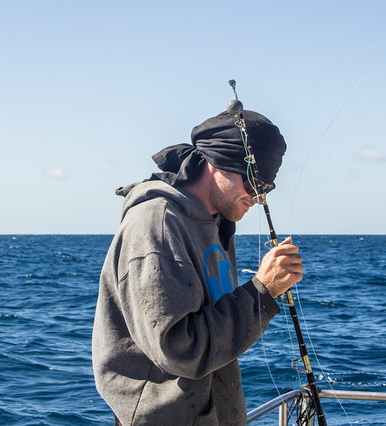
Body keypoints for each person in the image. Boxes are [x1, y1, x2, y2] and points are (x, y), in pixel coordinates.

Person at [92, 108, 303, 425]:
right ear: (219, 165)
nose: (259, 197)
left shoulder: (216, 223)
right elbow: (180, 349)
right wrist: (262, 292)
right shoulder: (157, 225)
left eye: (267, 188)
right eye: (255, 182)